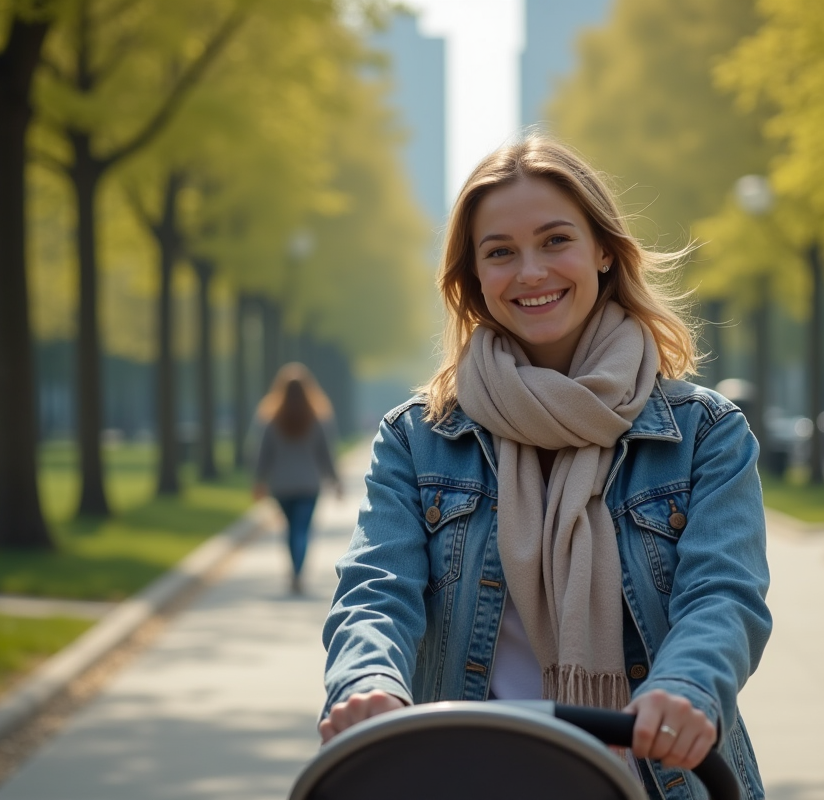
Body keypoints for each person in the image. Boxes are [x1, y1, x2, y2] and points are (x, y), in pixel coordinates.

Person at [319, 135, 771, 799]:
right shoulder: (417, 439)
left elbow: (723, 596)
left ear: (604, 251)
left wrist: (687, 685)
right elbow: (376, 592)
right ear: (474, 279)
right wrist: (367, 683)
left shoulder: (704, 433)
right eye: (500, 252)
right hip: (466, 778)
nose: (530, 271)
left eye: (555, 240)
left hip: (656, 781)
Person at [253, 363, 341, 594]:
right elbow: (326, 454)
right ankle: (297, 573)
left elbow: (263, 453)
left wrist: (259, 481)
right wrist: (335, 481)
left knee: (291, 528)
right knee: (301, 529)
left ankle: (295, 571)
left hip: (281, 485)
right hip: (309, 484)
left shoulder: (271, 419)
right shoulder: (317, 418)